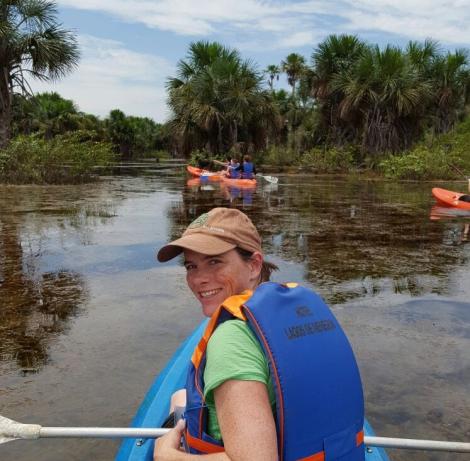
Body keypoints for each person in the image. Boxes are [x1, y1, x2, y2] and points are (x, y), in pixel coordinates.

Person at [154, 207, 365, 461]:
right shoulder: (296, 314)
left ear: (254, 265)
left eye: (214, 261)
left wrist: (169, 457)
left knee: (174, 414)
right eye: (191, 266)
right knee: (180, 398)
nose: (198, 279)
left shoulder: (230, 338)